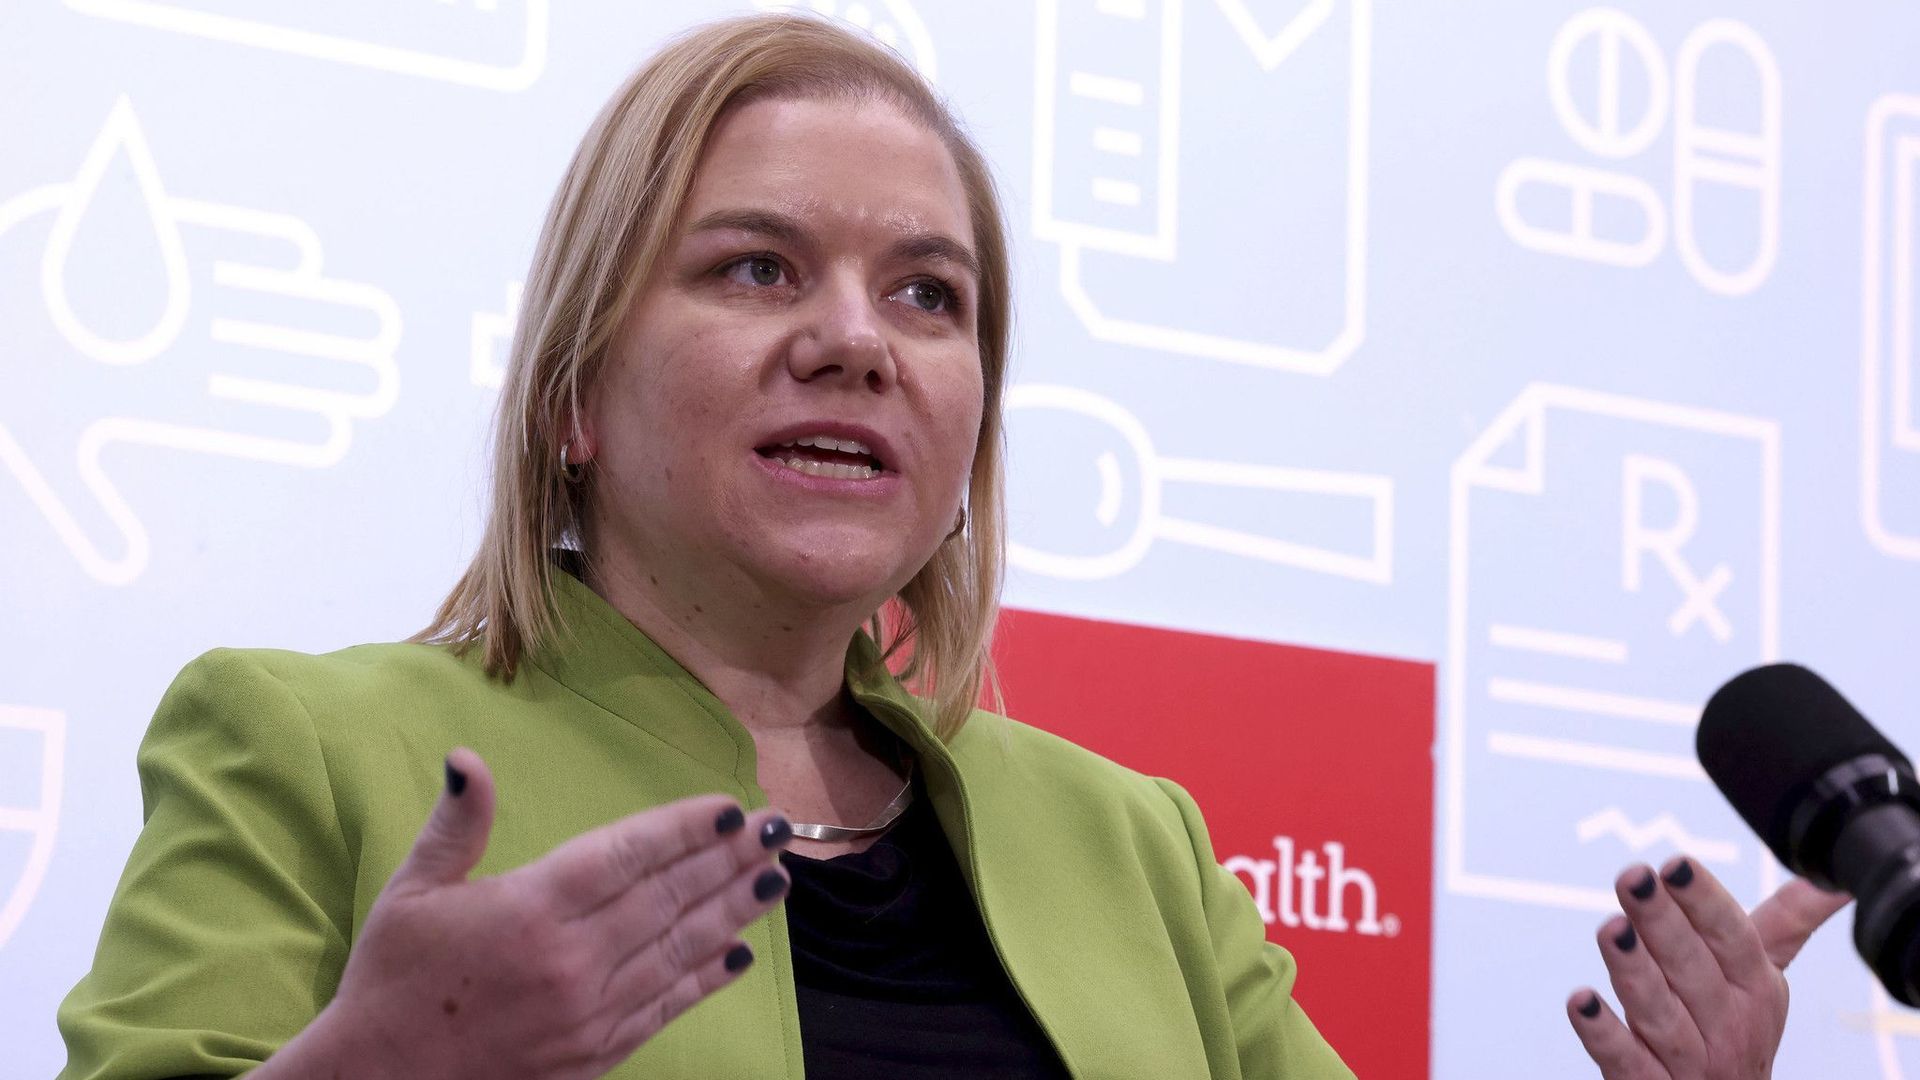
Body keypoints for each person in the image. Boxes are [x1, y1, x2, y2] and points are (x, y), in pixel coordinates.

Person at [53, 12, 1846, 1080]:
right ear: (573, 395)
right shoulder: (302, 742)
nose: (859, 338)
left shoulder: (1129, 844)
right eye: (757, 267)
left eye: (930, 294)